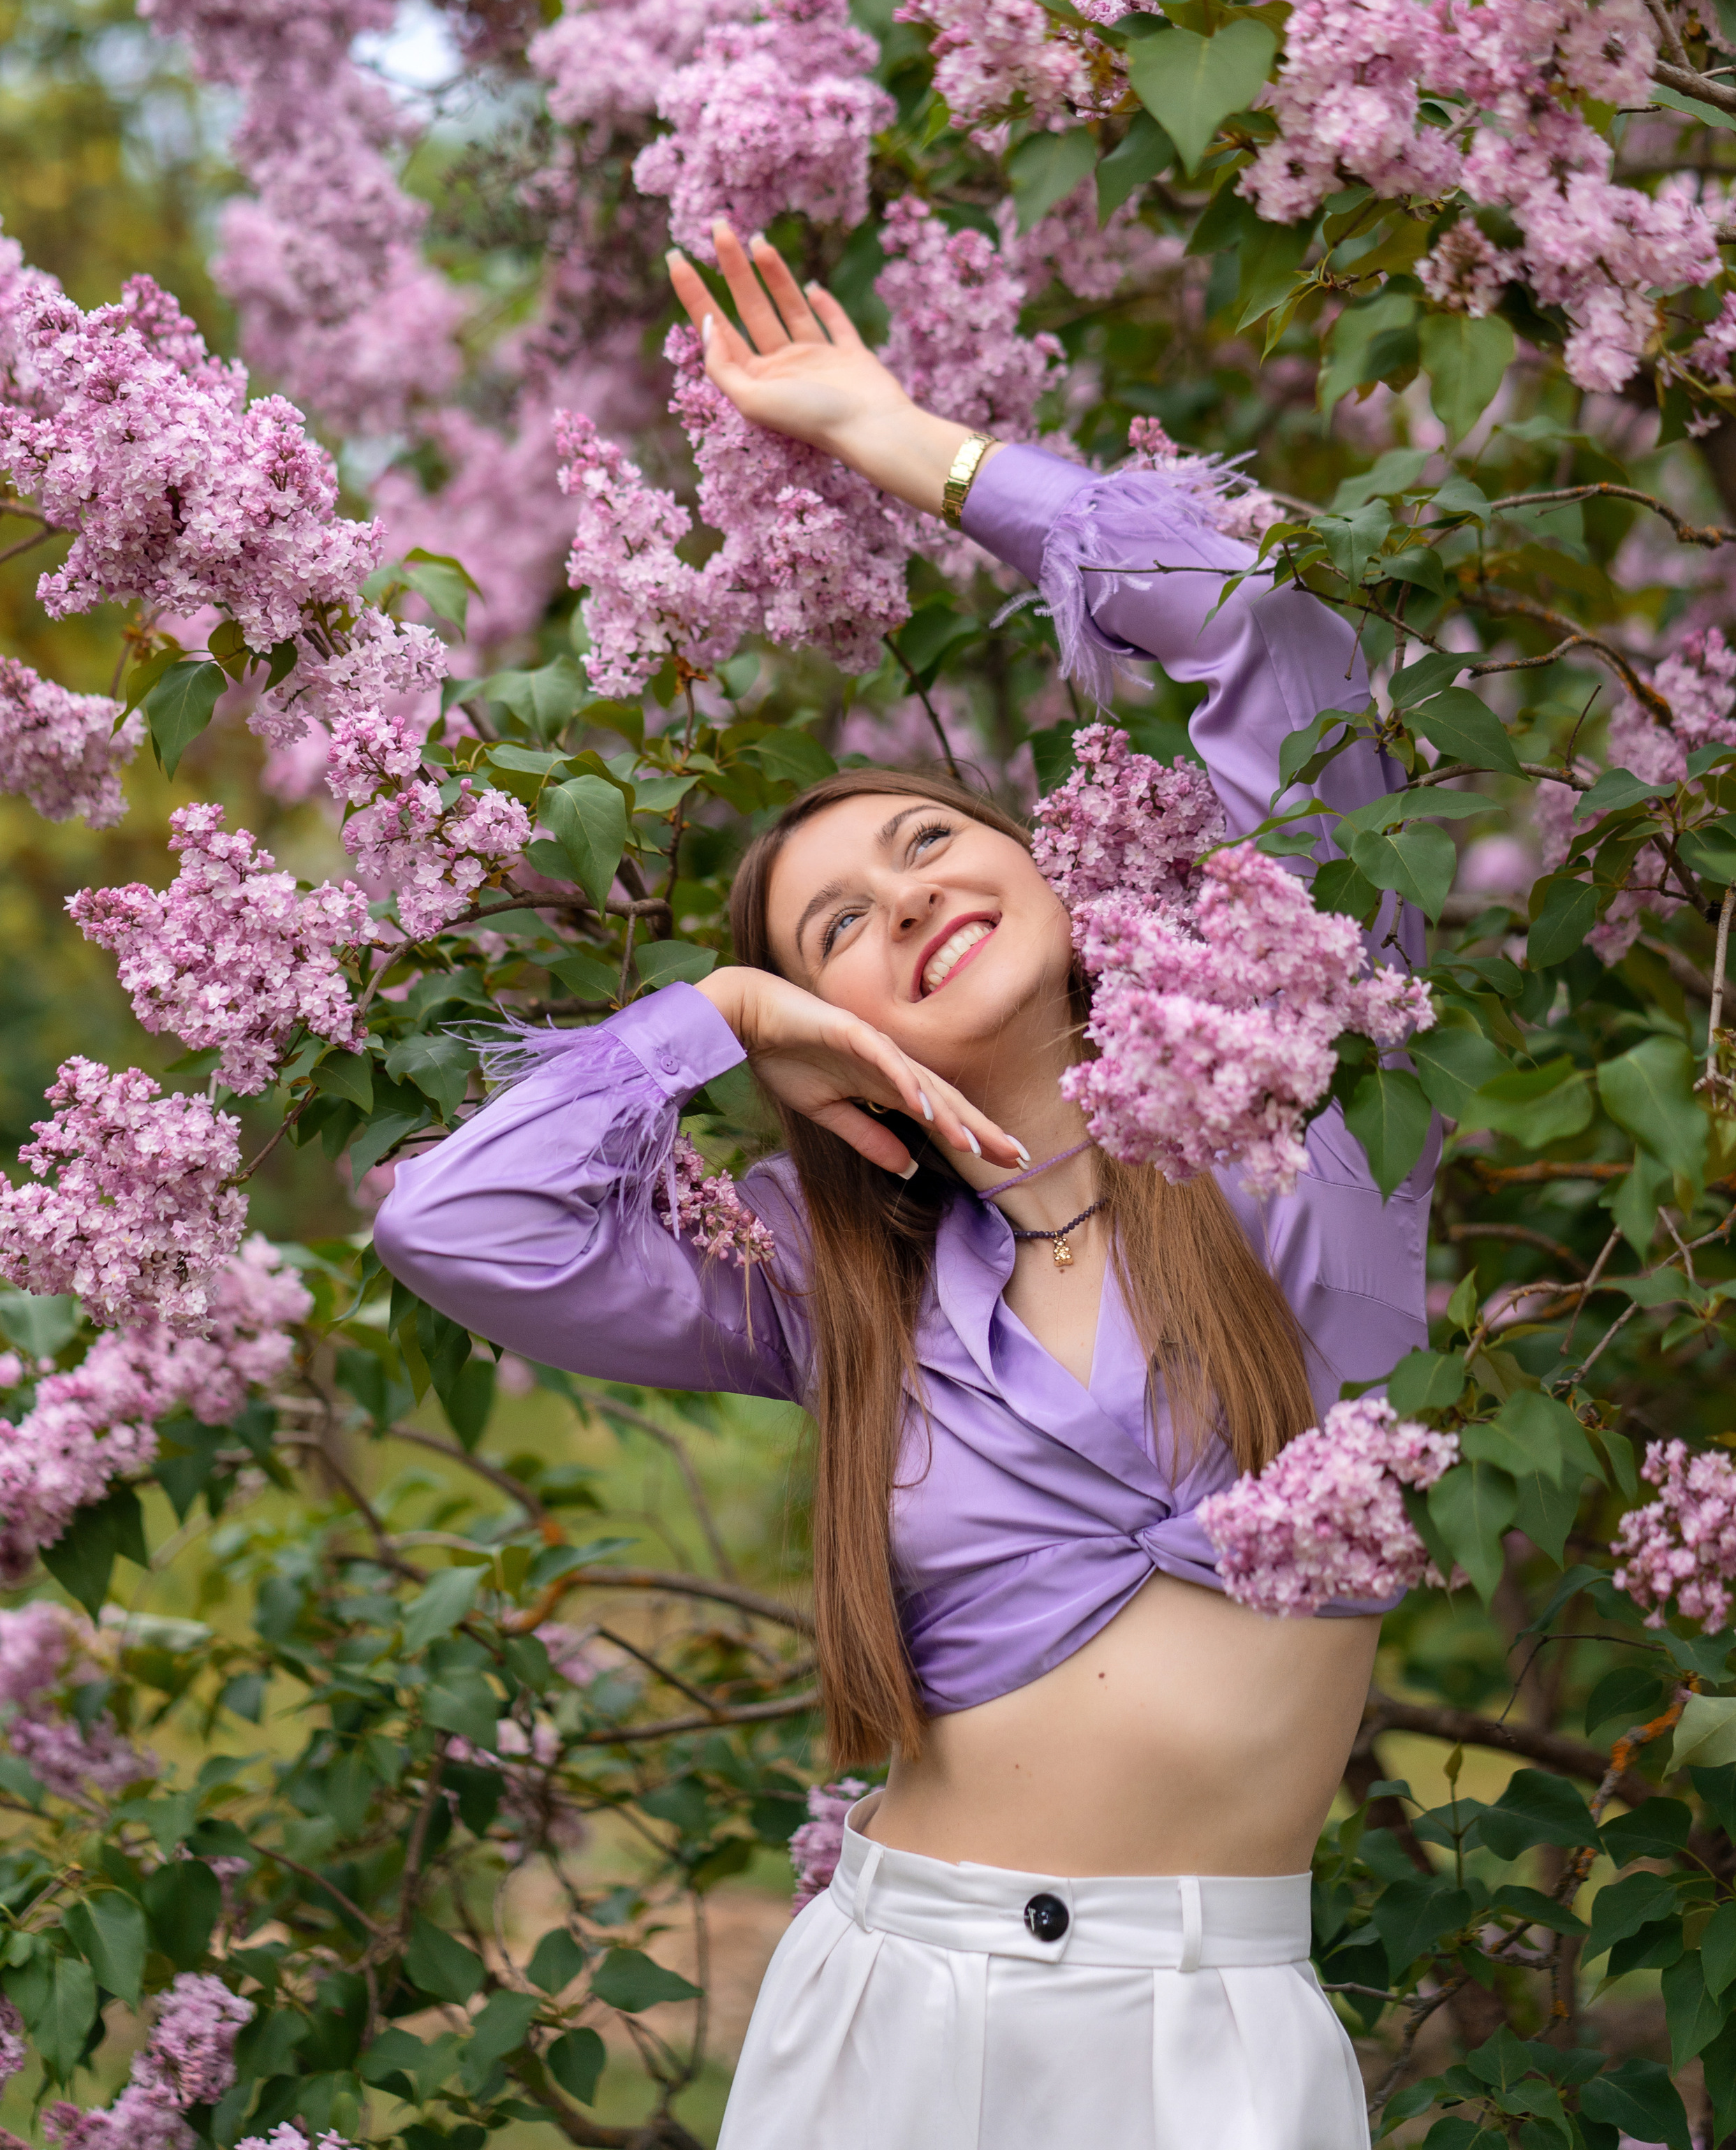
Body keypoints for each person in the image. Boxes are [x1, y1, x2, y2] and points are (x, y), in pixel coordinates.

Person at [374, 224, 1438, 2149]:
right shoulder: (828, 1289)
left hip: (1206, 2031)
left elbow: (1279, 644)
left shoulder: (1313, 1094)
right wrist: (710, 1016)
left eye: (932, 841)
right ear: (830, 1024)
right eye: (839, 927)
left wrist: (902, 438)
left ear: (1039, 865)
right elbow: (451, 1226)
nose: (914, 897)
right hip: (894, 2004)